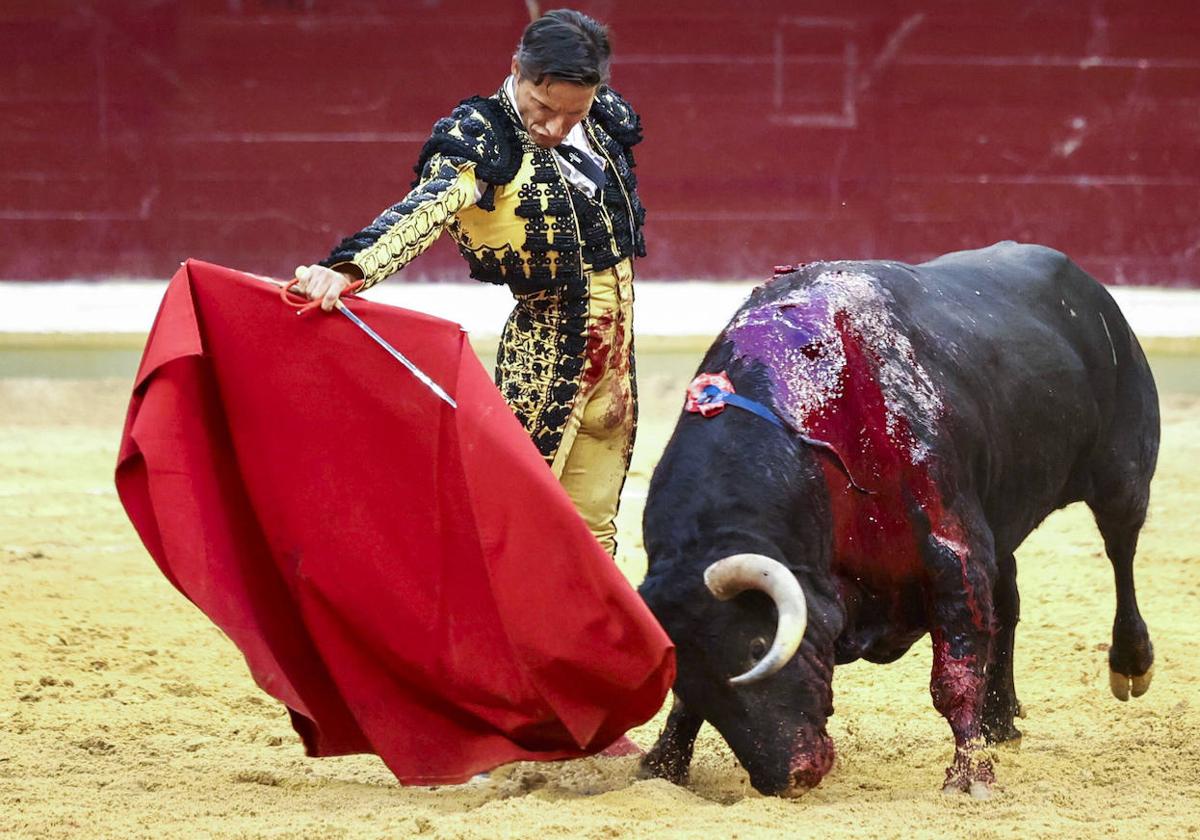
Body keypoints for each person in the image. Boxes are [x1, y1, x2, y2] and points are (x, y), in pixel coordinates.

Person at [295, 9, 646, 558]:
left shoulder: (600, 118)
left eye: (570, 115)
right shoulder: (483, 136)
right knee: (509, 524)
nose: (554, 127)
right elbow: (426, 210)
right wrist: (349, 268)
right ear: (517, 72)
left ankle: (581, 646)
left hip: (618, 370)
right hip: (545, 362)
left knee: (594, 542)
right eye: (544, 108)